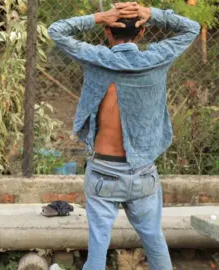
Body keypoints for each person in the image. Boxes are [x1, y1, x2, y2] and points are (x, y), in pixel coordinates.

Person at [47, 2, 199, 270]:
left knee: (98, 247)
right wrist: (150, 13)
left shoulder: (95, 58)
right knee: (154, 239)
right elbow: (191, 29)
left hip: (103, 172)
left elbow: (57, 30)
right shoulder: (157, 58)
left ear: (107, 32)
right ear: (141, 34)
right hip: (142, 174)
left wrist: (98, 16)